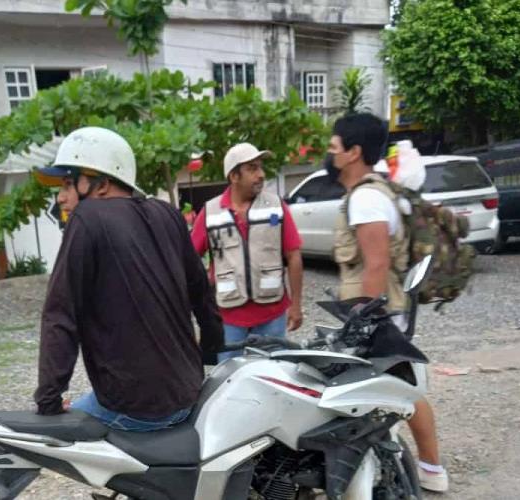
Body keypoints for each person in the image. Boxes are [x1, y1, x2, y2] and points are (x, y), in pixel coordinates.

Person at [34, 126, 223, 431]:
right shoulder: (168, 214)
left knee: (51, 440)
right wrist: (212, 350)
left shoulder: (87, 217)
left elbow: (60, 315)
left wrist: (48, 402)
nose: (61, 197)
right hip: (188, 391)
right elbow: (201, 291)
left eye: (69, 183)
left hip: (135, 407)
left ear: (103, 184)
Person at [327, 113, 449, 493]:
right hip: (381, 311)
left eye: (334, 147)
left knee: (402, 388)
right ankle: (421, 465)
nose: (329, 154)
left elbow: (376, 263)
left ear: (353, 152)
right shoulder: (372, 192)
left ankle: (428, 469)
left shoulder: (366, 199)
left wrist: (362, 321)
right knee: (398, 386)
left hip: (376, 314)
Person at [191, 143, 304, 361]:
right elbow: (189, 260)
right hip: (228, 317)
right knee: (229, 379)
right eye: (252, 168)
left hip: (272, 315)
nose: (261, 175)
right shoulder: (210, 212)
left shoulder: (276, 206)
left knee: (273, 377)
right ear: (234, 176)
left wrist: (296, 305)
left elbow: (293, 255)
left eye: (261, 167)